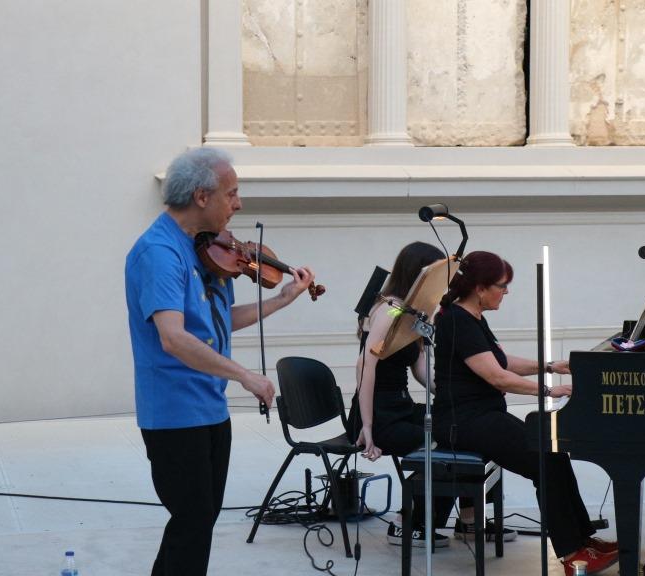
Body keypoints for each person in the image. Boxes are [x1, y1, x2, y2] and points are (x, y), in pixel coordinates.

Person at [125, 147, 316, 576]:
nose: (239, 204)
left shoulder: (207, 249)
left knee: (199, 521)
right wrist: (245, 375)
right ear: (201, 196)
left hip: (210, 406)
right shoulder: (159, 253)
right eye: (231, 194)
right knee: (192, 522)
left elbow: (217, 319)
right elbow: (174, 338)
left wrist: (282, 299)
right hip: (174, 412)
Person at [431, 251, 618, 576]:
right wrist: (548, 390)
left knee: (554, 453)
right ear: (480, 288)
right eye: (502, 286)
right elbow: (497, 376)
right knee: (543, 462)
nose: (506, 292)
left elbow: (501, 361)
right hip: (463, 422)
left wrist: (550, 367)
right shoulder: (457, 321)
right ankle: (572, 554)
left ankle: (583, 540)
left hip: (482, 415)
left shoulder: (473, 317)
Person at [348, 241, 455, 548]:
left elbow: (420, 367)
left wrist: (451, 394)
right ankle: (408, 523)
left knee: (458, 428)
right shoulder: (390, 308)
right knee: (437, 445)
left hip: (401, 406)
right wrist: (367, 427)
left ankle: (453, 518)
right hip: (378, 414)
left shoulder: (413, 310)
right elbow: (365, 365)